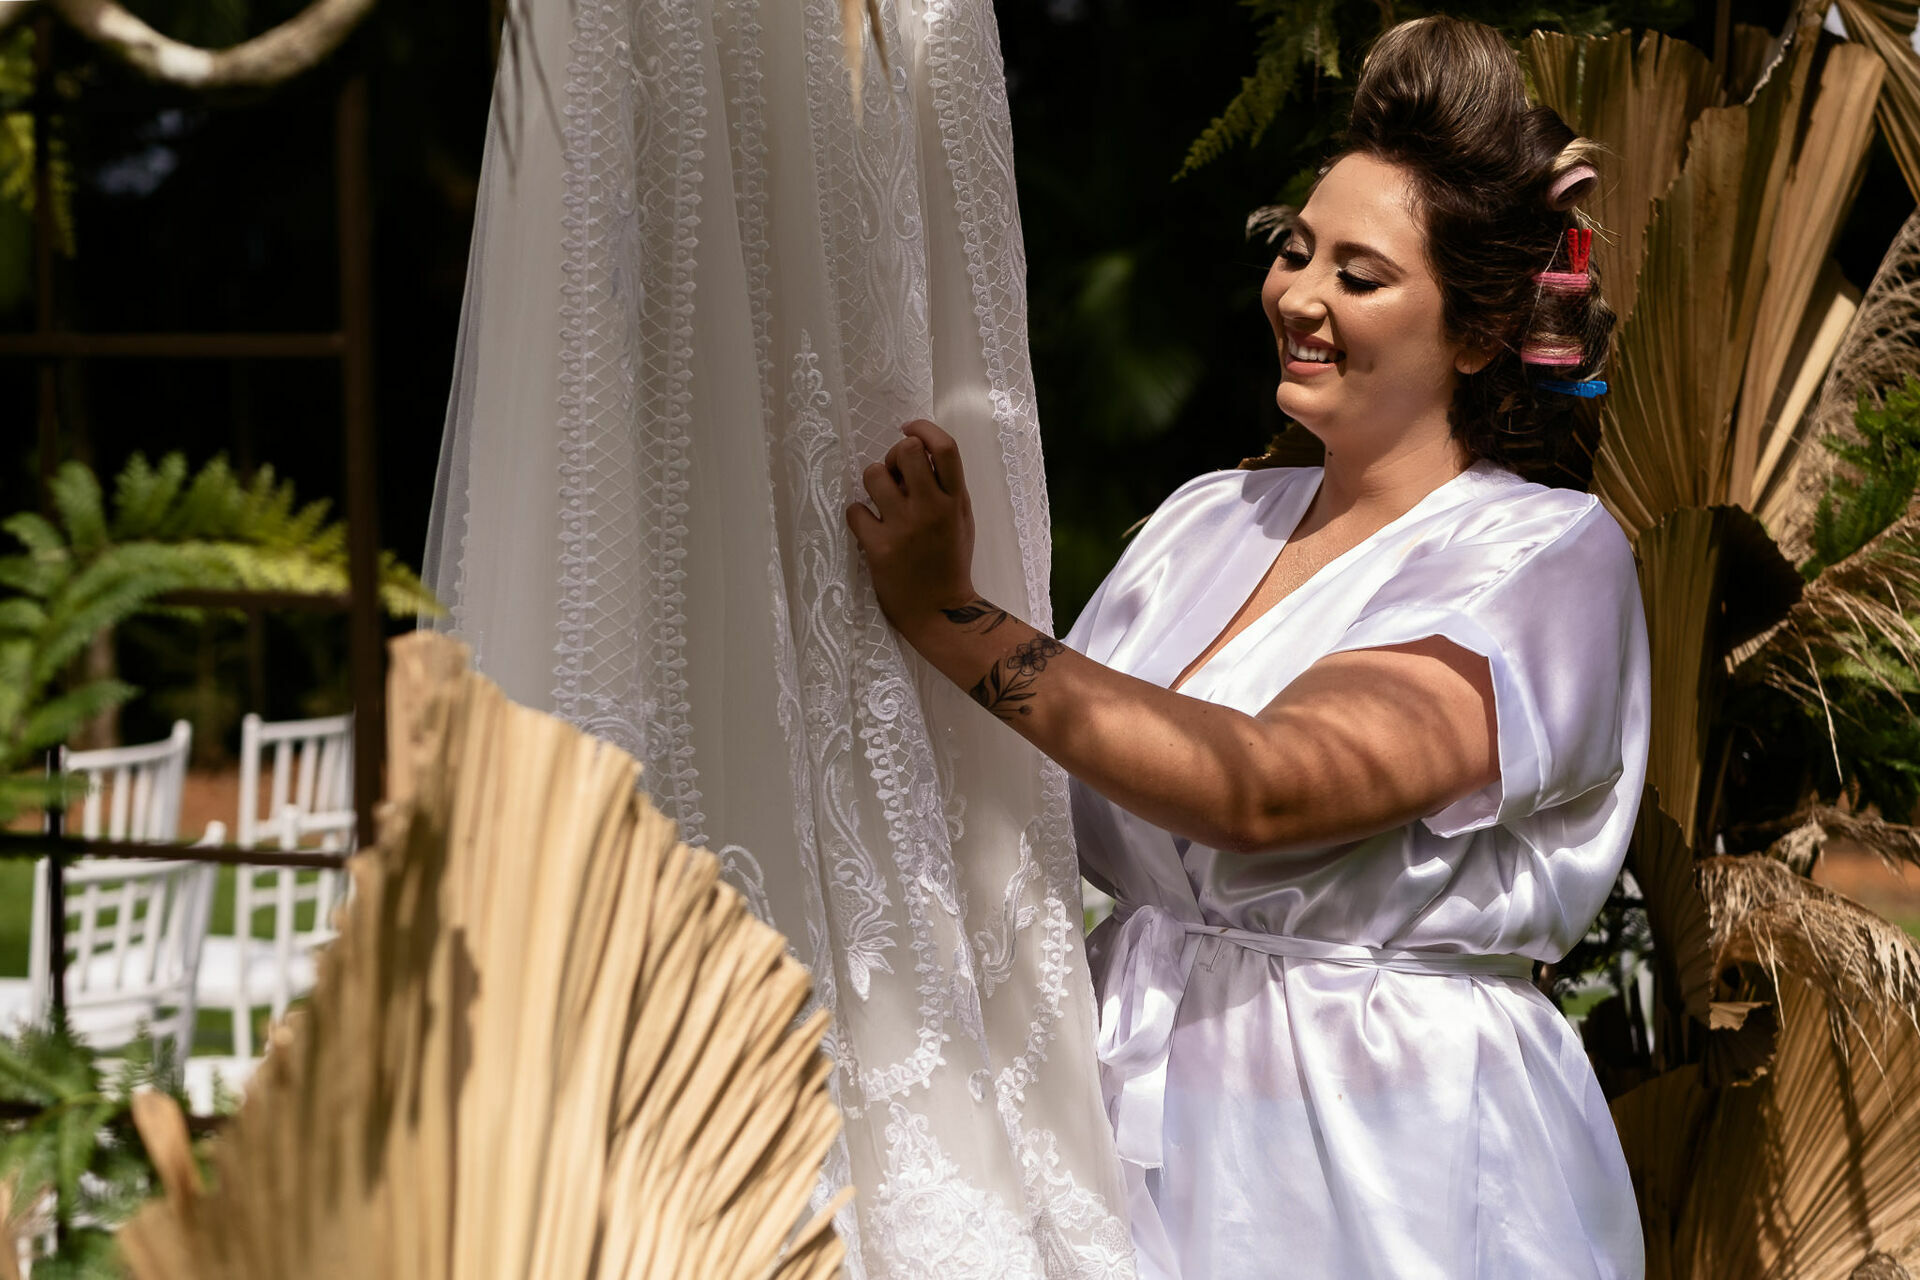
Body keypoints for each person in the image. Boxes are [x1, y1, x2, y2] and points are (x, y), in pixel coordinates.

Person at [845, 15, 1649, 1280]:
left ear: (1481, 330)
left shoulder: (1546, 560)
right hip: (1123, 1100)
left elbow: (1263, 786)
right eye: (1296, 249)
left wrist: (951, 616)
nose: (1300, 294)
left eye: (1360, 274)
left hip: (1384, 1158)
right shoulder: (1205, 520)